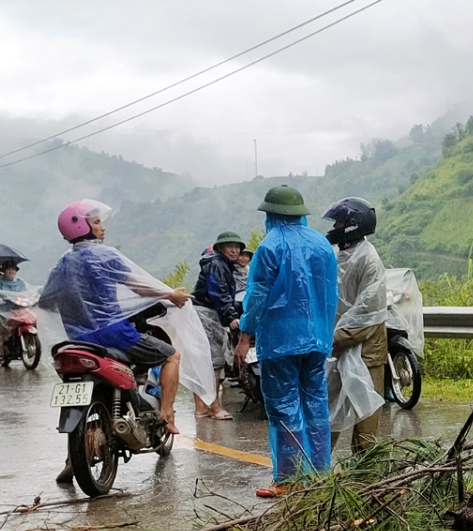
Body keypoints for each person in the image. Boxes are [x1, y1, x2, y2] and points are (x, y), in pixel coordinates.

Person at [41, 199, 191, 440]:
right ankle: (167, 414)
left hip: (77, 340)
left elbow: (46, 301)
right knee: (171, 355)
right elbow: (139, 287)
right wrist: (169, 294)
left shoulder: (62, 264)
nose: (103, 227)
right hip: (114, 334)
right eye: (97, 222)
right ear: (83, 227)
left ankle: (73, 461)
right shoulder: (104, 255)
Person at [234, 185, 338, 498]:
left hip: (280, 342)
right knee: (316, 405)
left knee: (284, 408)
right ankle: (320, 474)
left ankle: (290, 479)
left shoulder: (270, 247)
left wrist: (244, 335)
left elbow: (258, 297)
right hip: (316, 339)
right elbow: (331, 293)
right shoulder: (321, 245)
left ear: (272, 215)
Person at [323, 197, 387, 455]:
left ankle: (365, 475)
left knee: (365, 418)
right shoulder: (342, 256)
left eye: (339, 222)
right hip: (339, 346)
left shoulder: (369, 260)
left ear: (352, 224)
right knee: (328, 412)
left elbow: (368, 312)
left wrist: (337, 339)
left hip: (366, 351)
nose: (335, 226)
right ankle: (317, 466)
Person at [192, 231, 245, 420]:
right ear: (220, 248)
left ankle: (202, 408)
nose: (234, 250)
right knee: (214, 362)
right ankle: (214, 407)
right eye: (229, 246)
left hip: (206, 314)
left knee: (206, 361)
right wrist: (231, 317)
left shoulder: (223, 265)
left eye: (237, 247)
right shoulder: (216, 264)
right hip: (207, 315)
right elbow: (219, 293)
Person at [0, 261, 28, 358]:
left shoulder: (20, 282)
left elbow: (26, 292)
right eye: (9, 269)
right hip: (3, 310)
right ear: (4, 271)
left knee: (31, 320)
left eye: (13, 269)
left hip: (18, 308)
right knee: (1, 326)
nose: (11, 271)